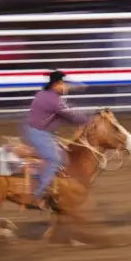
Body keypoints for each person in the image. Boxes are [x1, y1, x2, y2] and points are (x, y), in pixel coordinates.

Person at [22, 70, 89, 209]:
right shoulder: (53, 100)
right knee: (54, 160)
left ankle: (55, 188)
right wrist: (88, 120)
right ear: (56, 84)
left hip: (42, 132)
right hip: (39, 134)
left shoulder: (45, 95)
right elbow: (71, 115)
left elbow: (64, 115)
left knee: (64, 156)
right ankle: (36, 195)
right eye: (63, 83)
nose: (65, 86)